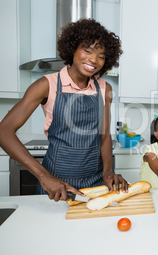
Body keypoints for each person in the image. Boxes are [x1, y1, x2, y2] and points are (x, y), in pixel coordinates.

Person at [0, 18, 128, 201]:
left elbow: (104, 136)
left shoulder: (104, 88)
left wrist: (108, 172)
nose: (93, 59)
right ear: (73, 49)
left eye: (101, 56)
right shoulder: (46, 85)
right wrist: (45, 177)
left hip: (96, 184)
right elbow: (4, 131)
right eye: (87, 50)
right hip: (57, 185)